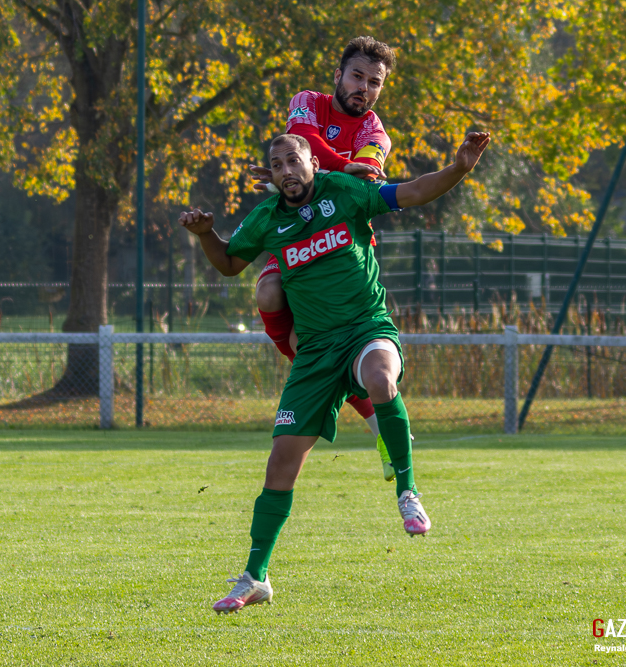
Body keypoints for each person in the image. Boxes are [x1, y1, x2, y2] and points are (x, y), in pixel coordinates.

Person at [180, 130, 491, 614]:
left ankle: (408, 491)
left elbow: (408, 192)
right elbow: (227, 264)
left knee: (381, 380)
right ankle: (256, 576)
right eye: (276, 164)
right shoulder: (266, 219)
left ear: (312, 163)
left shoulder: (344, 193)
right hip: (316, 353)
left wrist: (459, 169)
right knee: (281, 464)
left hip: (366, 327)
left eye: (293, 160)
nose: (285, 170)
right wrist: (205, 235)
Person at [250, 36, 395, 481]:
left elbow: (365, 176)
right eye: (357, 76)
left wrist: (300, 174)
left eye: (375, 82)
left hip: (342, 243)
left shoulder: (376, 133)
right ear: (338, 75)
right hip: (297, 228)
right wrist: (321, 169)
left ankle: (384, 429)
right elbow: (305, 140)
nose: (364, 88)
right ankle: (380, 426)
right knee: (269, 291)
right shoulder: (307, 102)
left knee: (337, 344)